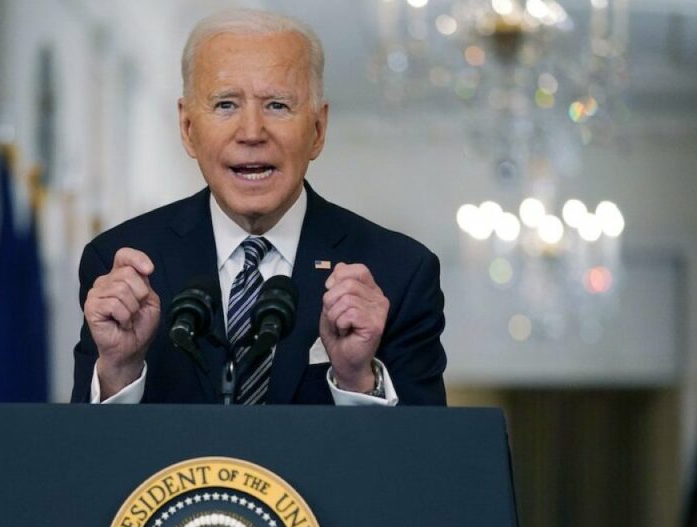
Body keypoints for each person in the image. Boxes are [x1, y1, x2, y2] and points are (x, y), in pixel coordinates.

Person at [72, 9, 447, 406]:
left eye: (277, 106)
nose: (251, 133)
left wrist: (357, 380)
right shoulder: (119, 267)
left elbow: (426, 445)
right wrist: (119, 371)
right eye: (225, 105)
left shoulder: (399, 273)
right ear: (188, 128)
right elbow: (83, 444)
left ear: (318, 129)